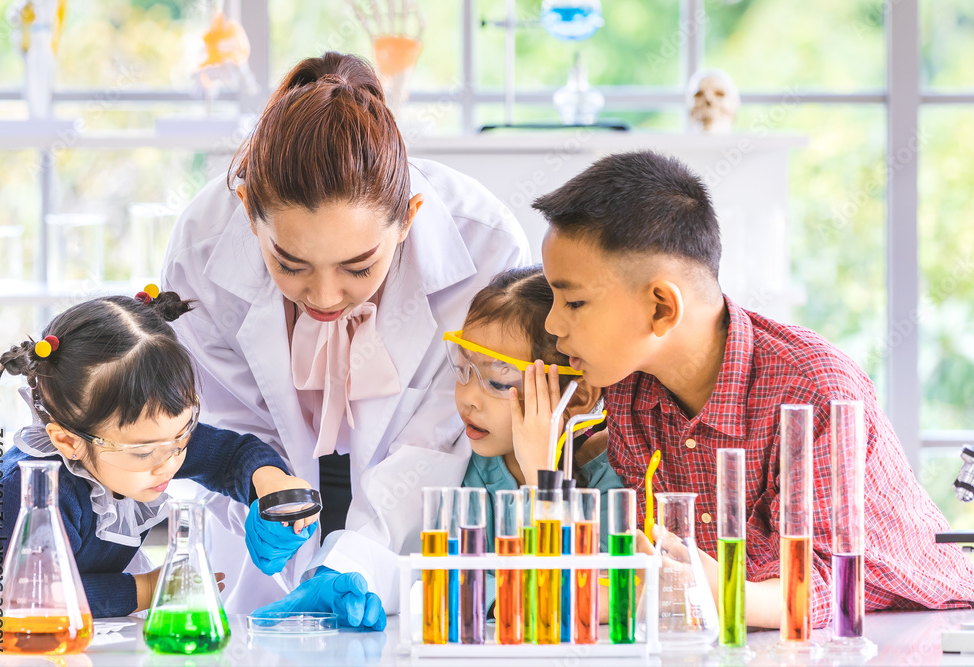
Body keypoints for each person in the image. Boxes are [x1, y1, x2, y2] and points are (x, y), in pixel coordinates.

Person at [533, 149, 974, 628]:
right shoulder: (628, 390)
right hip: (755, 627)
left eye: (574, 301)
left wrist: (703, 589)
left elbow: (825, 583)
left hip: (913, 626)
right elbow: (666, 563)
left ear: (661, 307)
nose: (553, 324)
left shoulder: (814, 390)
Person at [162, 51, 531, 622]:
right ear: (247, 211)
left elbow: (437, 442)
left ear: (408, 218)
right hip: (251, 575)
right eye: (290, 264)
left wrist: (360, 557)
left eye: (358, 268)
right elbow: (218, 427)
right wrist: (259, 496)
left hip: (409, 556)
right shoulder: (202, 249)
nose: (325, 297)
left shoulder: (485, 248)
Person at [0, 289, 317, 618]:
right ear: (68, 442)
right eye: (144, 451)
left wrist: (271, 482)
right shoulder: (31, 488)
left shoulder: (155, 442)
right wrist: (152, 589)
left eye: (183, 433)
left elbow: (230, 455)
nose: (169, 463)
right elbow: (35, 594)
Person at [452, 266, 620, 546]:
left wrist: (540, 478)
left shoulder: (610, 480)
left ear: (577, 397)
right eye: (462, 369)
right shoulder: (468, 468)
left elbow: (577, 586)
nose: (467, 397)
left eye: (498, 383)